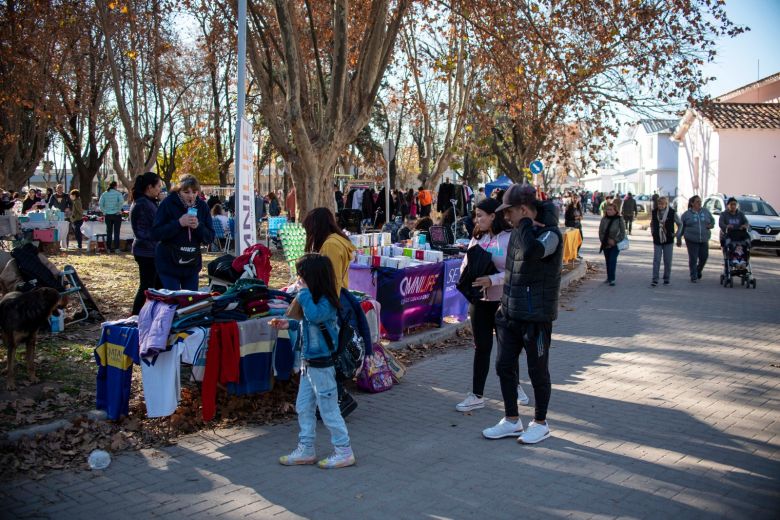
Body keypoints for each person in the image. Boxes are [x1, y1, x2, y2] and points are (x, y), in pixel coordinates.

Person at [482, 184, 563, 444]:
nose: (506, 217)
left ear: (525, 210)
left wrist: (527, 224)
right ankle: (512, 420)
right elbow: (511, 269)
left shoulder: (551, 235)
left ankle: (540, 423)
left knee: (537, 371)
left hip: (536, 318)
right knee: (504, 366)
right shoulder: (518, 230)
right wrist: (503, 305)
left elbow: (532, 252)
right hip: (510, 314)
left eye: (510, 212)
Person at [271, 254, 355, 469]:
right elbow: (307, 325)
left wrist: (303, 293)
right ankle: (306, 448)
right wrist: (287, 324)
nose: (299, 279)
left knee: (328, 411)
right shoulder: (312, 298)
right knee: (303, 407)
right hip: (308, 363)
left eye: (302, 276)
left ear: (314, 277)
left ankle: (344, 450)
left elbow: (316, 316)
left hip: (322, 364)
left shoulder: (324, 301)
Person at [456, 198, 532, 412]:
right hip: (479, 302)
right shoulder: (477, 237)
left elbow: (517, 271)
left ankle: (515, 387)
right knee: (481, 348)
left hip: (503, 302)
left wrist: (493, 280)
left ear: (493, 216)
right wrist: (465, 276)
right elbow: (466, 262)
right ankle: (476, 395)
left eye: (480, 215)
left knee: (507, 349)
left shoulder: (510, 238)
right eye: (476, 215)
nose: (476, 219)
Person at [301, 207, 359, 417]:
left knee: (327, 356)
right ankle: (331, 399)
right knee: (329, 354)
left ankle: (335, 400)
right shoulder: (335, 241)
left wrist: (318, 301)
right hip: (336, 298)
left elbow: (330, 279)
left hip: (331, 302)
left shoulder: (331, 245)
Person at [151, 174, 214, 291]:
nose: (191, 196)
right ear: (179, 191)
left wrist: (198, 226)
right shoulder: (168, 204)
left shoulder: (202, 207)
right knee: (174, 303)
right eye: (186, 192)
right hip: (168, 263)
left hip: (191, 264)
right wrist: (179, 223)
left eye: (195, 192)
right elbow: (156, 233)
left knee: (190, 303)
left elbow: (210, 237)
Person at [129, 172, 163, 315]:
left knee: (157, 285)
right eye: (159, 186)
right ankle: (136, 315)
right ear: (150, 187)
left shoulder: (148, 202)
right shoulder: (142, 204)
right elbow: (142, 232)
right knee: (147, 286)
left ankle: (152, 313)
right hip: (146, 252)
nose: (160, 189)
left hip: (152, 251)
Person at [678, 195, 715, 283]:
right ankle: (693, 276)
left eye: (700, 201)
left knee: (704, 257)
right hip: (691, 239)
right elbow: (681, 227)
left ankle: (698, 270)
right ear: (692, 203)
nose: (700, 203)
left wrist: (711, 225)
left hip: (704, 239)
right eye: (697, 201)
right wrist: (679, 238)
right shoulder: (686, 214)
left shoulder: (705, 212)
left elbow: (712, 221)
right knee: (693, 258)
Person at [650, 196, 682, 287]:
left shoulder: (671, 212)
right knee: (656, 259)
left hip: (668, 239)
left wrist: (676, 234)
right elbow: (652, 223)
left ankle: (666, 278)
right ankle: (655, 279)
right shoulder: (654, 212)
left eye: (662, 204)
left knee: (667, 260)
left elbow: (680, 224)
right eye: (659, 203)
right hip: (657, 239)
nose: (660, 205)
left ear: (666, 204)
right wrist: (653, 232)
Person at [598, 202, 626, 286]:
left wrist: (615, 241)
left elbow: (622, 233)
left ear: (615, 211)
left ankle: (612, 279)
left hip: (616, 244)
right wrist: (605, 241)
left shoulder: (619, 219)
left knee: (612, 260)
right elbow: (600, 232)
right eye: (607, 210)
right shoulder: (604, 219)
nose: (608, 211)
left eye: (610, 210)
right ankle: (608, 277)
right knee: (607, 260)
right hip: (606, 243)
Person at [99, 180, 125, 254]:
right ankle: (116, 248)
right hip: (117, 215)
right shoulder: (118, 193)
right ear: (115, 186)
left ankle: (108, 249)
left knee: (109, 232)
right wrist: (118, 209)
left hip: (108, 215)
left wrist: (104, 212)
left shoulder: (104, 194)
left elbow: (100, 204)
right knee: (117, 232)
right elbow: (121, 202)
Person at [564, 194, 584, 258]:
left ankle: (576, 253)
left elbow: (581, 216)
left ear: (578, 199)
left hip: (578, 225)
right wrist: (576, 217)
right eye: (574, 198)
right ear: (572, 199)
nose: (575, 199)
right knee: (572, 241)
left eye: (576, 198)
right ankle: (572, 254)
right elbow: (567, 217)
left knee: (580, 239)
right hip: (571, 225)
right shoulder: (569, 207)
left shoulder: (579, 206)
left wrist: (578, 217)